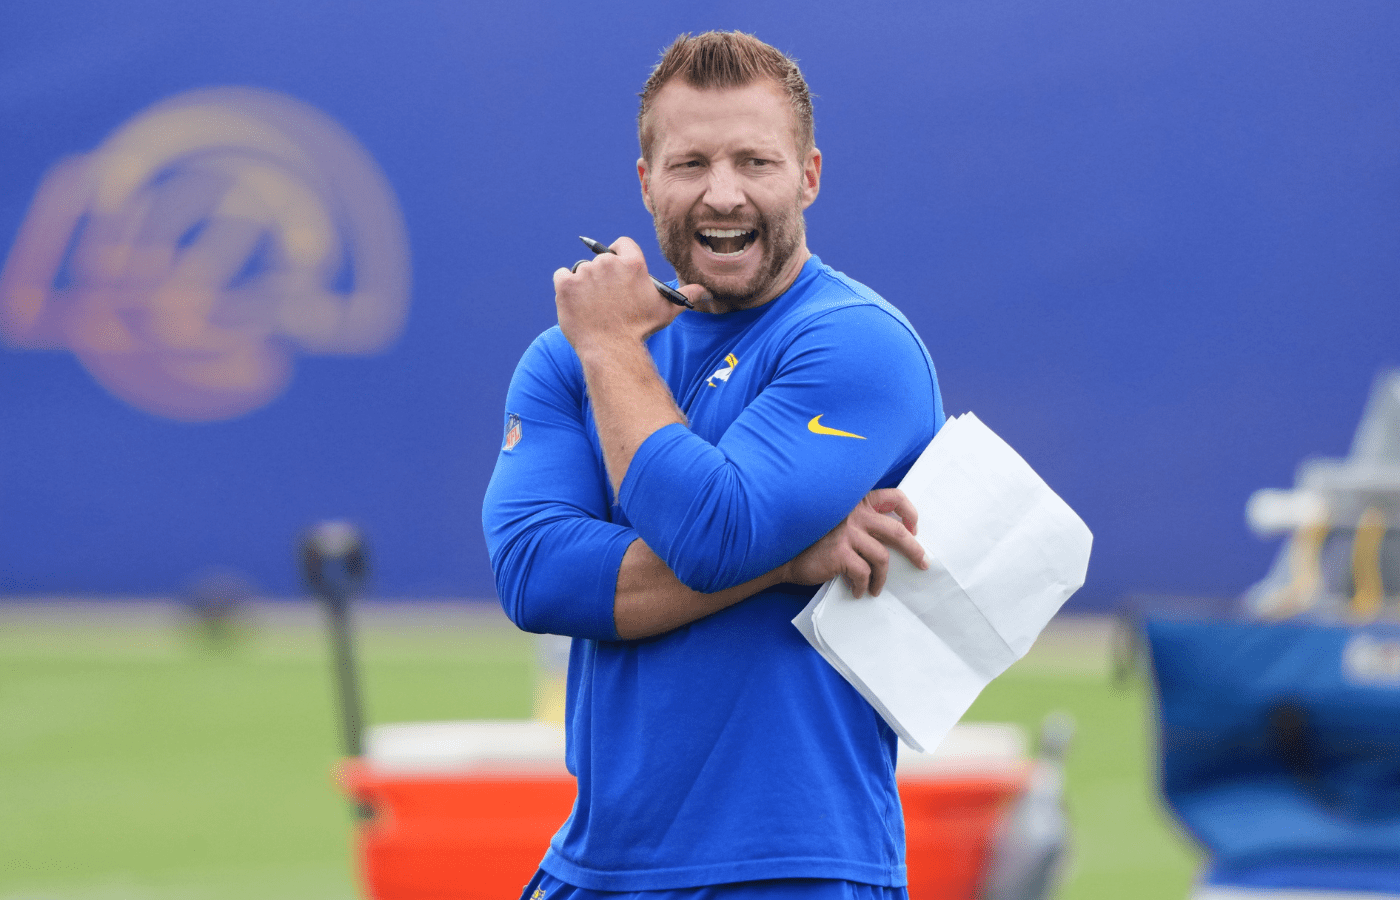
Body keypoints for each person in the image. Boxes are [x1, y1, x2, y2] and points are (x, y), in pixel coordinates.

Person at [482, 30, 944, 898]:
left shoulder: (858, 343)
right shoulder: (567, 355)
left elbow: (714, 534)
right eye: (690, 162)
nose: (721, 194)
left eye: (754, 162)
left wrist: (614, 347)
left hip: (797, 866)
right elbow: (535, 576)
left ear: (808, 175)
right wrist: (795, 558)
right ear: (645, 182)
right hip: (596, 865)